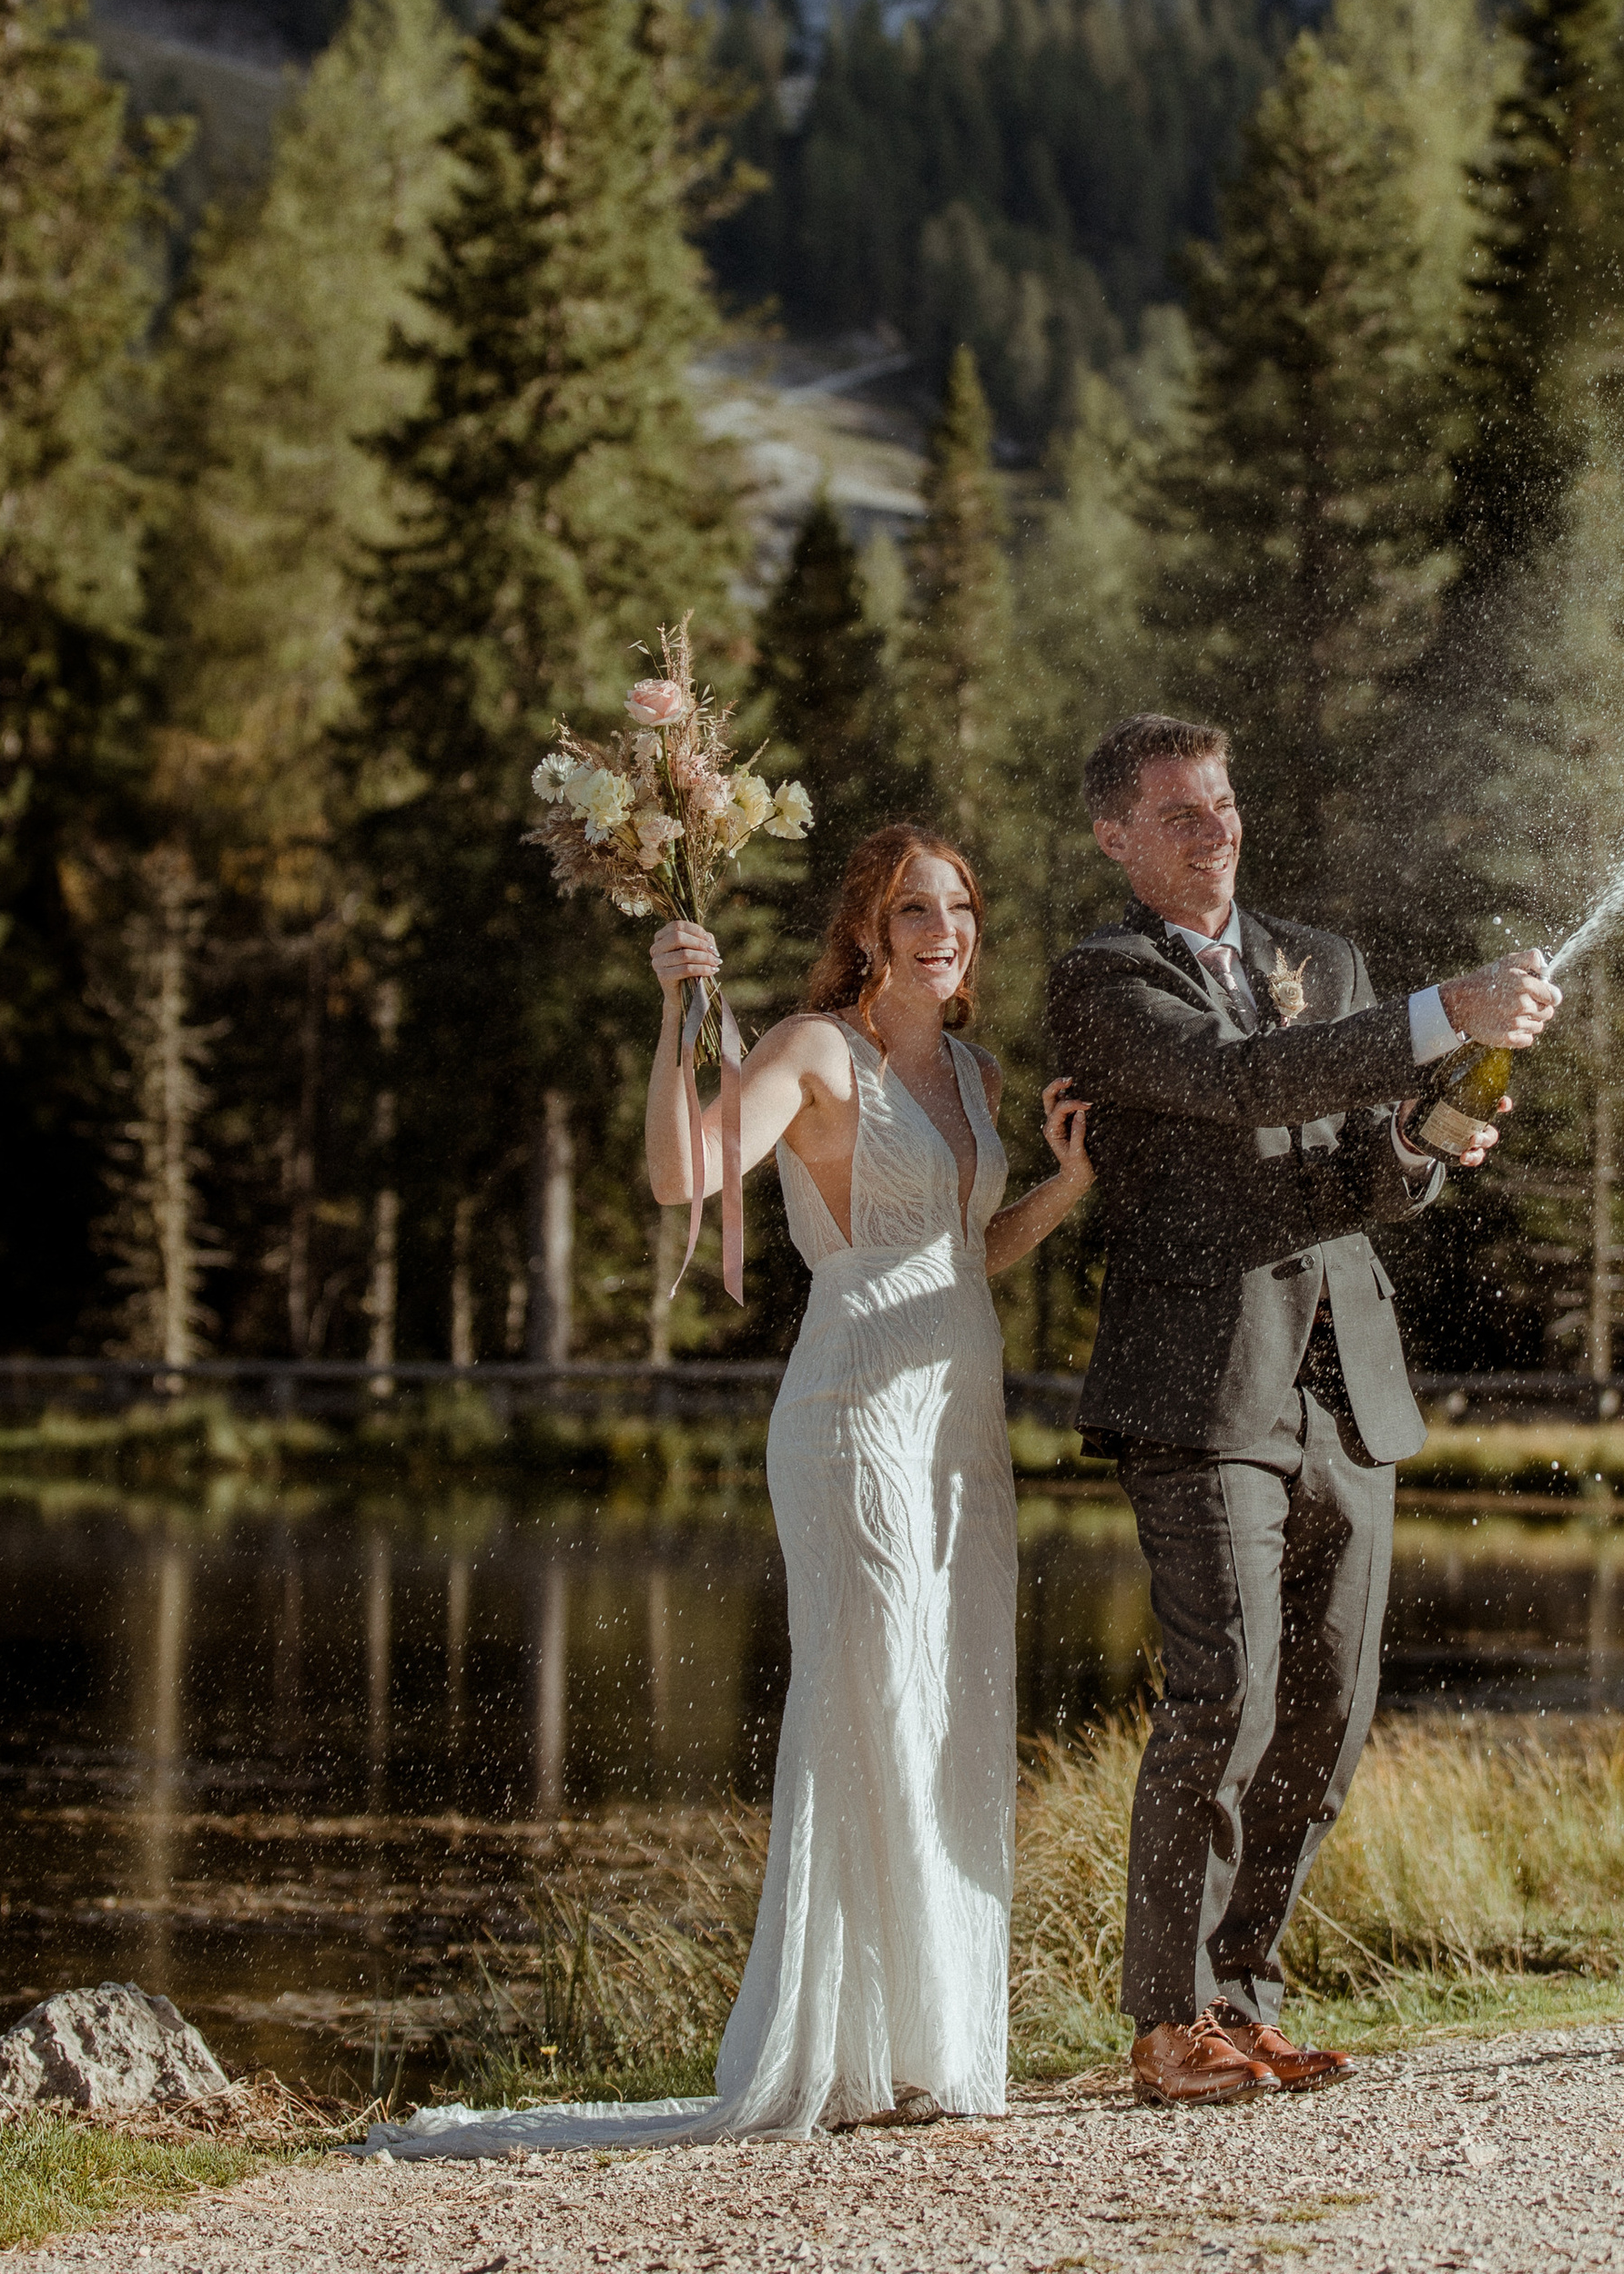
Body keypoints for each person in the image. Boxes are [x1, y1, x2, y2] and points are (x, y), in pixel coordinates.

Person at [370, 822, 1091, 2157]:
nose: (947, 929)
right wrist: (673, 1014)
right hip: (851, 1413)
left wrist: (1066, 1190)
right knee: (868, 1696)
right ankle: (835, 2050)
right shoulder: (816, 1051)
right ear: (867, 931)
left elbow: (962, 1252)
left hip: (961, 1420)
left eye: (962, 908)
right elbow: (680, 1175)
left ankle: (925, 2046)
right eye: (916, 909)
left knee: (947, 1702)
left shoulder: (981, 1074)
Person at [1046, 712, 1559, 2108]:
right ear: (1115, 837)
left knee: (1331, 1709)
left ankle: (1245, 1999)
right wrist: (1439, 1015)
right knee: (1228, 1695)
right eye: (1180, 814)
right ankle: (1165, 2024)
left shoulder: (1321, 962)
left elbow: (1349, 1165)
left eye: (1223, 803)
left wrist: (1420, 1146)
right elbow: (1237, 1086)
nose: (1216, 829)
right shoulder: (1099, 982)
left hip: (1348, 1386)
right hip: (1202, 1383)